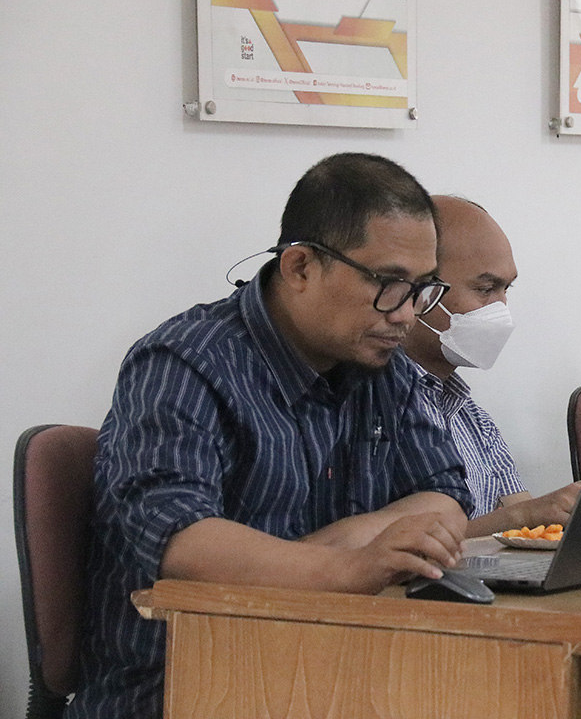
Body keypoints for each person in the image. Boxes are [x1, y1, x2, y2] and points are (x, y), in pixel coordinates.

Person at [70, 153, 474, 719]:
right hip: (184, 687)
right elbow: (179, 539)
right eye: (388, 284)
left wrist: (344, 540)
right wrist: (350, 568)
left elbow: (445, 498)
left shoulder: (384, 367)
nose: (407, 315)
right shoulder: (185, 363)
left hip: (332, 676)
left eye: (422, 288)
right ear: (301, 266)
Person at [401, 196, 581, 537]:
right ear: (420, 291)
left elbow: (527, 528)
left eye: (505, 289)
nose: (501, 309)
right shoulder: (372, 408)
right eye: (485, 289)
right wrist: (524, 516)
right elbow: (396, 547)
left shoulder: (472, 417)